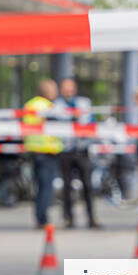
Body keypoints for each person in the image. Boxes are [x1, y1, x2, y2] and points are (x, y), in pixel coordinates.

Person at [57, 78, 100, 229]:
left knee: (88, 185)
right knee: (67, 186)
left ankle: (91, 218)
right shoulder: (57, 105)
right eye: (65, 88)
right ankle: (68, 218)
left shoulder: (84, 103)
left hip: (82, 149)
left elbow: (92, 122)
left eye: (71, 87)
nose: (68, 90)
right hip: (66, 150)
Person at [23, 79, 64, 228]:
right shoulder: (47, 106)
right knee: (46, 188)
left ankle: (39, 217)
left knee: (39, 187)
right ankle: (43, 220)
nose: (56, 92)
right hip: (47, 151)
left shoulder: (30, 104)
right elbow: (57, 126)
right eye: (54, 89)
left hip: (34, 150)